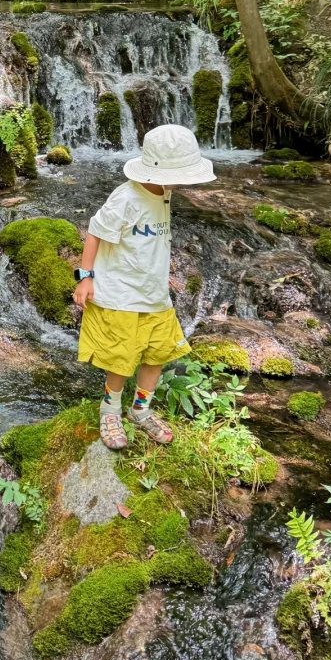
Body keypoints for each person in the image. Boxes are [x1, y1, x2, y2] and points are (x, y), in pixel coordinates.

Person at [72, 123, 215, 451]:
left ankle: (140, 410)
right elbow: (94, 232)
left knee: (157, 354)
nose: (181, 181)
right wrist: (86, 277)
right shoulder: (126, 197)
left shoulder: (164, 191)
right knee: (120, 359)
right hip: (121, 295)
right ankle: (109, 411)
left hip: (154, 297)